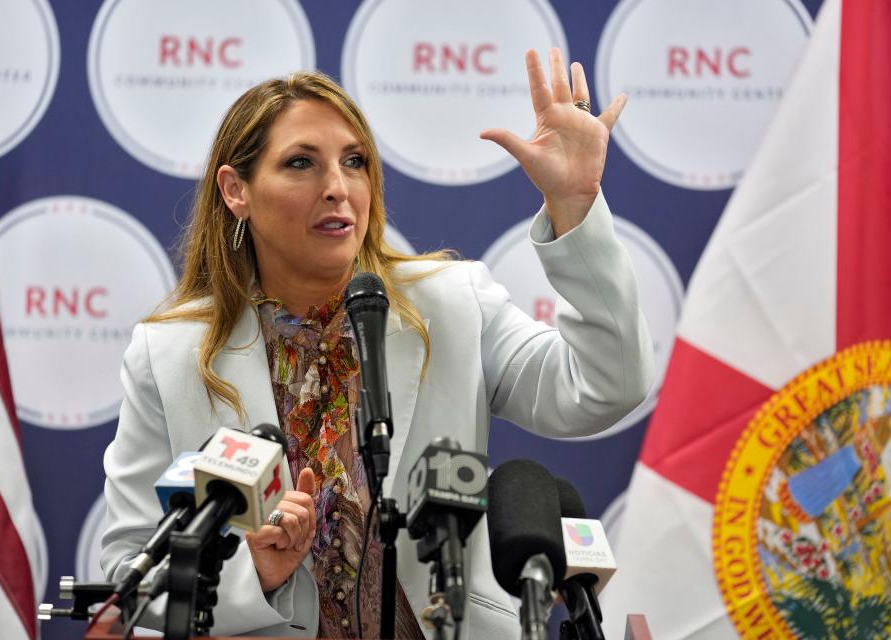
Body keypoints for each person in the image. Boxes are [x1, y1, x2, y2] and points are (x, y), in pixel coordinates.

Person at [101, 48, 653, 639]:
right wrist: (254, 577)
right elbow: (128, 571)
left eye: (355, 161)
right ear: (236, 190)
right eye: (301, 164)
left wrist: (573, 207)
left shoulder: (451, 303)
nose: (338, 188)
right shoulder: (170, 354)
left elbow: (604, 388)